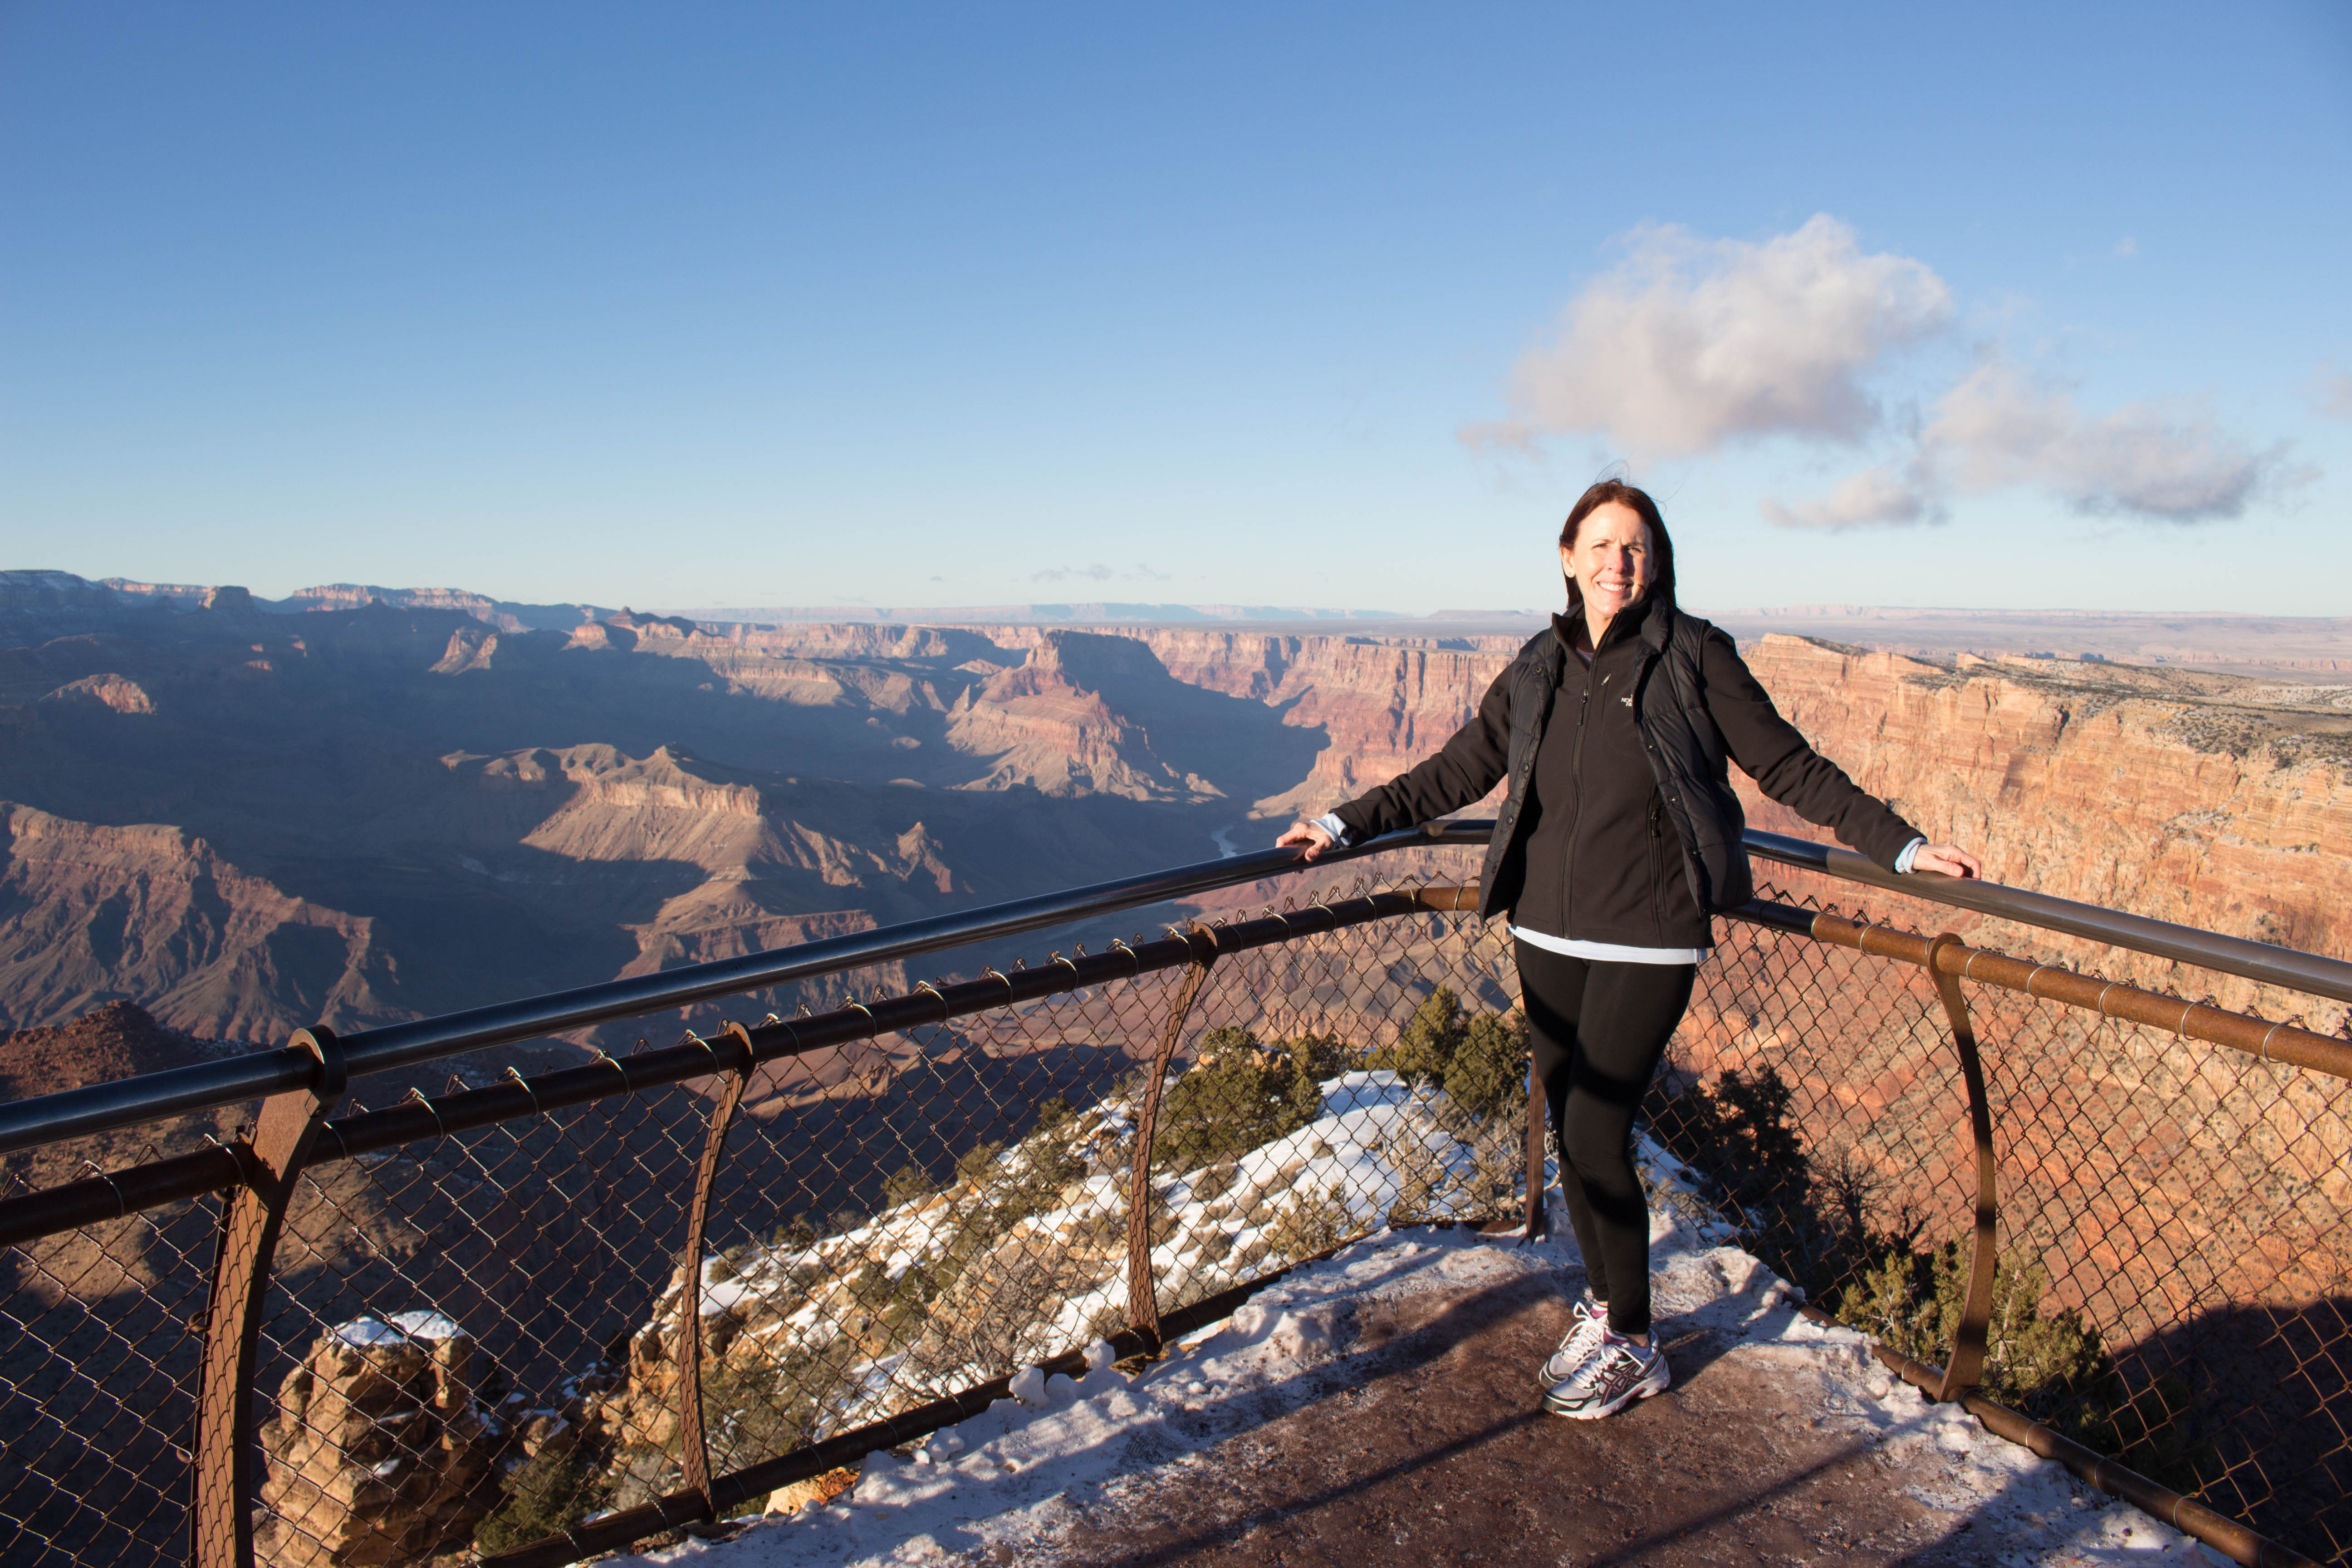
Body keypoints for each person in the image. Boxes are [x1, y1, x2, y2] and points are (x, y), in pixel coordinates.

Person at [1278, 480, 1979, 1420]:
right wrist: (1343, 822)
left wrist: (1900, 846)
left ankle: (1637, 1342)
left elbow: (1787, 763)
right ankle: (1607, 1308)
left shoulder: (1694, 654)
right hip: (1544, 929)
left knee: (1596, 1132)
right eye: (1602, 545)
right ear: (1568, 557)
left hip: (1649, 934)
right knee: (1572, 1132)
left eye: (1636, 547)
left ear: (1657, 563)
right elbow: (1460, 767)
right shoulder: (1540, 664)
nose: (1619, 562)